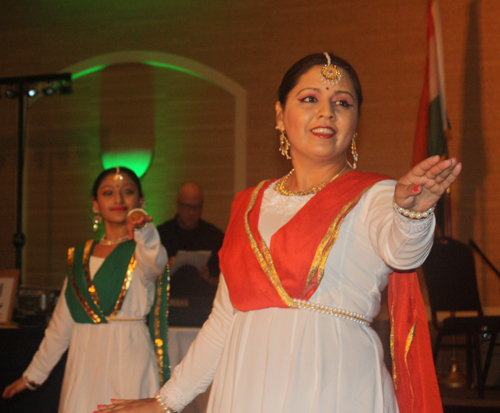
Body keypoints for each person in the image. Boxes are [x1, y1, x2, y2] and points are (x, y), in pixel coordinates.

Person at [98, 53, 461, 413]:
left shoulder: (378, 195)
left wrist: (413, 213)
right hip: (245, 385)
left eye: (342, 103)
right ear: (279, 115)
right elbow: (224, 319)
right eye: (309, 99)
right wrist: (166, 402)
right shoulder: (249, 204)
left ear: (355, 121)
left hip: (334, 383)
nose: (326, 112)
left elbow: (404, 253)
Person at [2, 167, 169, 413]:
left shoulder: (143, 251)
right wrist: (31, 376)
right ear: (95, 204)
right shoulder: (79, 257)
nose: (119, 199)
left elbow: (156, 262)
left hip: (128, 358)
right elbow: (61, 327)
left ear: (140, 201)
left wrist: (144, 230)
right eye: (108, 192)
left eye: (128, 192)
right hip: (84, 365)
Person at [157, 183, 224, 326]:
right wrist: (165, 271)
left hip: (204, 310)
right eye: (187, 207)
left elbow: (226, 282)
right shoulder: (161, 235)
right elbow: (147, 280)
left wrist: (209, 278)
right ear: (178, 205)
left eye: (196, 207)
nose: (192, 212)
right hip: (168, 310)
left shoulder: (214, 236)